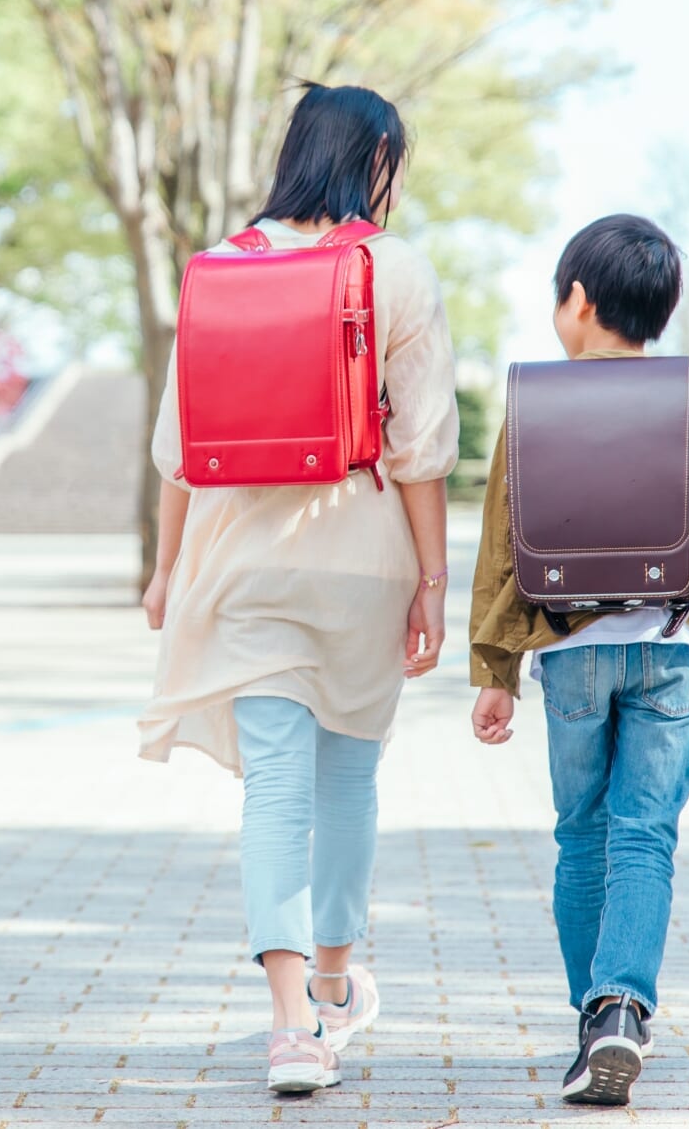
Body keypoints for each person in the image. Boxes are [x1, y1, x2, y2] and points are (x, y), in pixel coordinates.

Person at [138, 83, 460, 1095]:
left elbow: (178, 448)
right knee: (348, 779)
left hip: (244, 562)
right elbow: (421, 451)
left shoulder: (222, 269)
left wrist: (164, 568)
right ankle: (331, 983)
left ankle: (288, 1030)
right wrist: (433, 583)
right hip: (363, 556)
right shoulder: (394, 268)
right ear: (377, 163)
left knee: (275, 786)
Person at [467, 214, 689, 1105]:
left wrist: (494, 670)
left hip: (572, 657)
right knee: (644, 836)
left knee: (579, 836)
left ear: (579, 301)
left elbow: (501, 547)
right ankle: (621, 1008)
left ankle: (589, 1020)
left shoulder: (534, 407)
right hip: (671, 649)